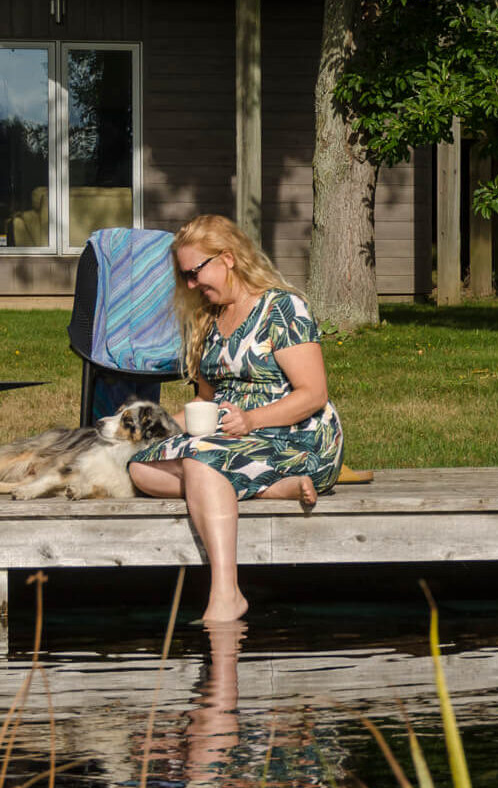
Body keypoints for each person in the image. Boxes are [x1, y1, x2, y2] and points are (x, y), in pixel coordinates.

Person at [128, 214, 344, 623]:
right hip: (231, 436)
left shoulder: (282, 309)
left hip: (295, 433)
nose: (191, 285)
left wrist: (252, 419)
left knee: (201, 463)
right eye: (185, 277)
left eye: (195, 273)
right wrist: (146, 428)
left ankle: (226, 593)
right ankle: (272, 488)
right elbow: (206, 402)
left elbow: (314, 395)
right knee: (141, 468)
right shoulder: (209, 319)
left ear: (227, 258)